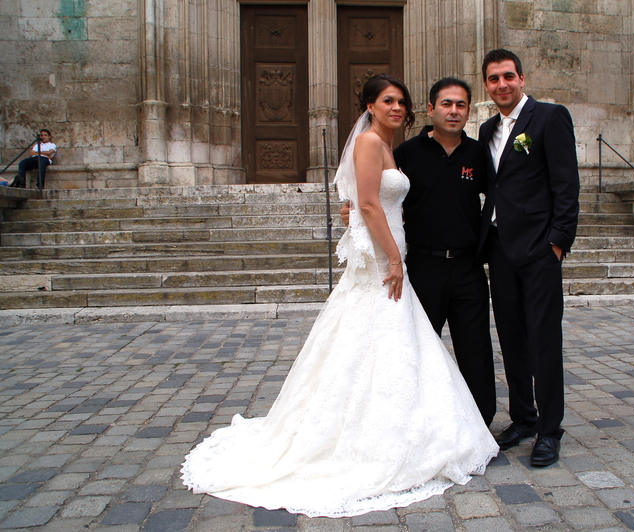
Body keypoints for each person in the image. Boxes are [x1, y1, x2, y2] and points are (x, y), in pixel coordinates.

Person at [181, 74, 498, 518]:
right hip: (393, 263)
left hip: (429, 260)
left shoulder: (401, 149)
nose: (396, 108)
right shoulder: (381, 145)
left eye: (400, 101)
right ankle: (371, 438)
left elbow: (381, 199)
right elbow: (367, 202)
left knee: (406, 349)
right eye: (388, 101)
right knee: (379, 344)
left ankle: (423, 426)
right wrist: (391, 255)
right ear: (370, 106)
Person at [343, 78, 496, 425]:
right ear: (430, 109)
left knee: (476, 349)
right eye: (446, 104)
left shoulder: (478, 154)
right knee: (417, 349)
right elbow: (377, 195)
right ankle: (421, 422)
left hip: (468, 267)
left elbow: (499, 198)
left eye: (460, 105)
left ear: (468, 111)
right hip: (423, 266)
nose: (453, 111)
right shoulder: (407, 153)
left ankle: (481, 424)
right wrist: (353, 211)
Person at [478, 49, 580, 466]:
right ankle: (523, 418)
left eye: (508, 76)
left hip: (539, 249)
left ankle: (550, 430)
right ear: (486, 85)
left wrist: (557, 242)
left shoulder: (550, 118)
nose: (501, 84)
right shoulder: (486, 129)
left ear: (522, 78)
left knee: (543, 340)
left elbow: (566, 184)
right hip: (500, 248)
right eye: (493, 78)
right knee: (511, 338)